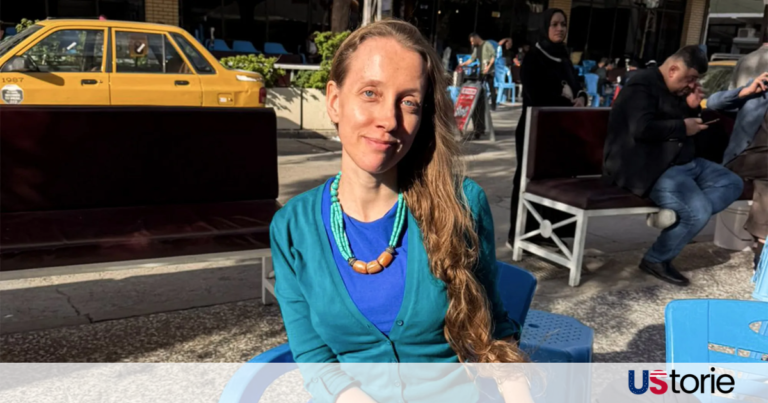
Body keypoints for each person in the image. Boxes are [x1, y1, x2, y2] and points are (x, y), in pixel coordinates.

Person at [269, 20, 530, 403]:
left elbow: (493, 329)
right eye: (370, 93)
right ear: (335, 100)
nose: (389, 120)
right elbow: (313, 355)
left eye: (408, 102)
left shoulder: (461, 205)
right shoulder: (292, 229)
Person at [603, 45, 744, 286]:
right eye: (690, 78)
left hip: (685, 163)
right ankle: (657, 258)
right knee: (697, 211)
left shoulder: (678, 93)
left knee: (731, 183)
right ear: (673, 70)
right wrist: (683, 126)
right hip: (650, 168)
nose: (691, 85)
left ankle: (683, 217)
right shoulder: (641, 85)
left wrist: (692, 107)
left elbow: (693, 130)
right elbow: (641, 128)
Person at [507, 8, 587, 249]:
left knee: (556, 182)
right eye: (554, 24)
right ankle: (518, 233)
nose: (560, 29)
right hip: (536, 130)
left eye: (563, 24)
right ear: (545, 27)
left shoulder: (563, 56)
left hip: (561, 132)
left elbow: (577, 85)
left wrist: (581, 97)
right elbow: (536, 94)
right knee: (528, 180)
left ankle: (547, 232)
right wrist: (565, 100)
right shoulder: (534, 57)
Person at [707, 71, 768, 271]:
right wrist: (744, 92)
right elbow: (713, 103)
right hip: (745, 157)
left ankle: (762, 255)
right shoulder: (760, 90)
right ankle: (762, 259)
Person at [459, 32, 497, 136]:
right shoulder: (476, 48)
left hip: (489, 72)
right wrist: (462, 64)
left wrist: (488, 68)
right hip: (481, 72)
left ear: (476, 38)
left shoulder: (487, 45)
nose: (472, 43)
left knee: (491, 87)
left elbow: (493, 57)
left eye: (472, 41)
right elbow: (472, 59)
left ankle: (493, 103)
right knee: (479, 92)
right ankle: (478, 126)